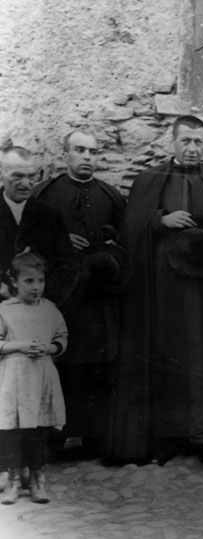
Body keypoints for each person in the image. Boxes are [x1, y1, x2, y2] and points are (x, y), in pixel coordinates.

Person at [107, 115, 203, 465]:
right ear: (173, 141)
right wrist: (159, 220)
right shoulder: (150, 179)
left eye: (199, 142)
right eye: (186, 141)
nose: (193, 148)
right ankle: (165, 436)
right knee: (165, 356)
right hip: (162, 290)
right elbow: (130, 226)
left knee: (202, 357)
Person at [33, 131, 127, 458]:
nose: (87, 156)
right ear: (65, 154)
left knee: (97, 365)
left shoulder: (111, 196)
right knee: (61, 364)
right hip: (61, 299)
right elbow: (29, 245)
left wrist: (111, 247)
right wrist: (59, 240)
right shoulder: (44, 195)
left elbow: (123, 243)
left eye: (92, 151)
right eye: (79, 150)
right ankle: (55, 440)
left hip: (97, 302)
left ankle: (94, 437)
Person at [0, 253, 68, 504]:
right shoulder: (5, 310)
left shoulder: (50, 309)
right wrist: (19, 345)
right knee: (12, 431)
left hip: (41, 377)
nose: (36, 286)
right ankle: (13, 480)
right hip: (13, 379)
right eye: (29, 281)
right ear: (14, 281)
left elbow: (61, 337)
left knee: (37, 431)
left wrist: (50, 349)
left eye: (40, 280)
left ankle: (38, 479)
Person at [0, 146, 78, 308]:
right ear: (2, 174)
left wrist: (43, 299)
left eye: (31, 176)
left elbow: (68, 265)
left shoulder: (49, 215)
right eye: (18, 176)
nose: (26, 184)